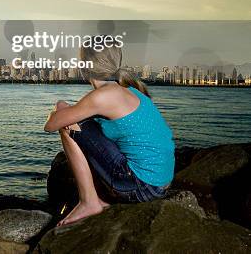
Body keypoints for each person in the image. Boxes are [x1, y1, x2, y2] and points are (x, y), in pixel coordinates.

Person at [43, 39, 175, 225]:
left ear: (84, 66)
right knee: (75, 118)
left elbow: (51, 125)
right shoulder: (130, 90)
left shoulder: (102, 96)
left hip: (141, 187)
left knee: (67, 126)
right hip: (161, 182)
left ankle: (89, 202)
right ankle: (101, 197)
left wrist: (57, 110)